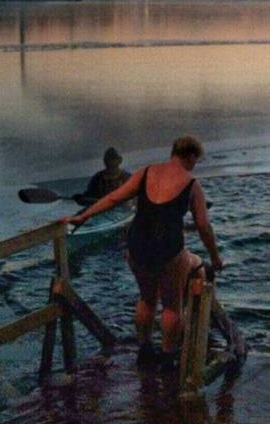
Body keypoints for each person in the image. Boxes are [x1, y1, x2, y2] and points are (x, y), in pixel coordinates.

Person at [62, 136, 224, 369]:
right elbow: (203, 225)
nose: (194, 165)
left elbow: (114, 198)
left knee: (147, 299)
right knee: (171, 305)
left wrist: (84, 216)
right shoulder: (192, 184)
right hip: (168, 246)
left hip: (137, 243)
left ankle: (145, 351)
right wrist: (216, 257)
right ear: (190, 156)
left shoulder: (146, 172)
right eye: (195, 161)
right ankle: (168, 358)